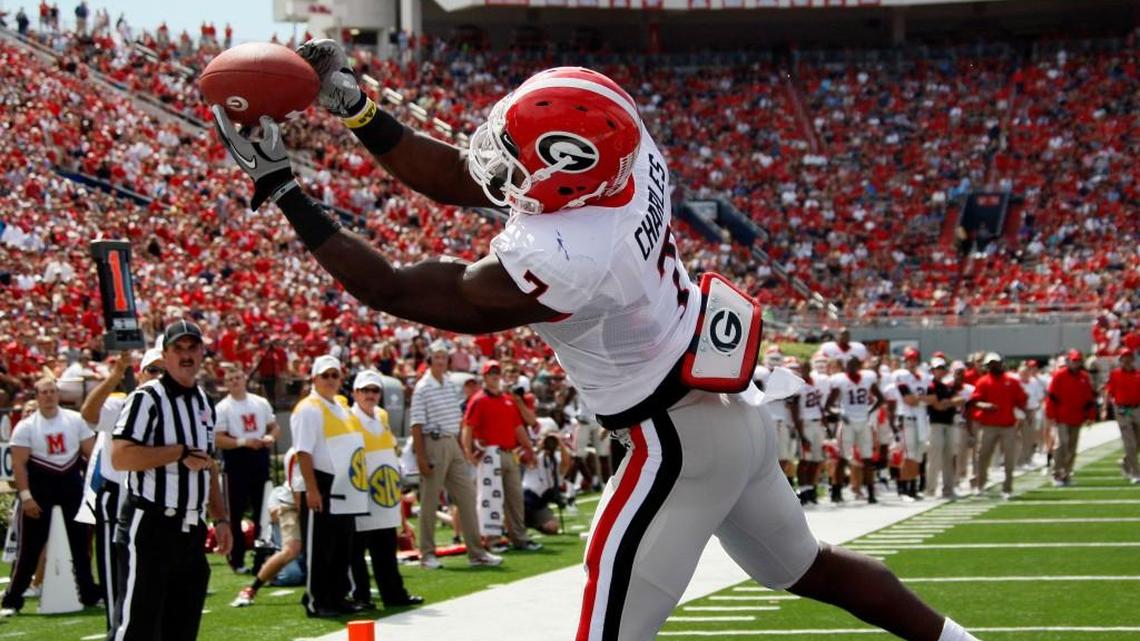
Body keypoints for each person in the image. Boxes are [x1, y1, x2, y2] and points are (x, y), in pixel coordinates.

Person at [212, 44, 983, 641]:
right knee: (810, 568)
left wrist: (283, 189)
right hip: (727, 413)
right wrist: (354, 106)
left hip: (674, 441)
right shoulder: (620, 147)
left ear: (566, 174)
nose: (497, 156)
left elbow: (398, 289)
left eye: (519, 157)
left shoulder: (570, 256)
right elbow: (468, 176)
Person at [108, 321, 232, 640]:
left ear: (202, 353)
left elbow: (208, 464)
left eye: (193, 348)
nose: (186, 355)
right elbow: (120, 456)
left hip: (191, 528)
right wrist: (176, 452)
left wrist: (220, 518)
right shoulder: (146, 397)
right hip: (151, 525)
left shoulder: (204, 401)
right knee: (135, 629)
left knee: (181, 629)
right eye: (178, 348)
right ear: (165, 355)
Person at [0, 376, 101, 617]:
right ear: (36, 396)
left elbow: (92, 454)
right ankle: (12, 600)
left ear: (58, 394)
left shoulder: (74, 420)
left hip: (72, 487)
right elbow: (19, 464)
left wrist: (93, 491)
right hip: (39, 489)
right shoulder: (26, 426)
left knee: (81, 546)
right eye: (44, 392)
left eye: (52, 391)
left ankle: (89, 594)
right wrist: (26, 497)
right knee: (29, 549)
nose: (48, 396)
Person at [79, 348, 163, 629]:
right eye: (153, 370)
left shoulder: (177, 409)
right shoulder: (122, 404)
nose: (158, 377)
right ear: (140, 375)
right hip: (120, 493)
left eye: (163, 371)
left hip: (156, 497)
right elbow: (89, 414)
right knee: (116, 570)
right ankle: (115, 631)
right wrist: (115, 375)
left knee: (153, 572)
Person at [408, 342, 500, 569]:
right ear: (430, 360)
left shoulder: (449, 384)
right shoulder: (423, 387)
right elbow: (416, 424)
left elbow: (457, 419)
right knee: (429, 501)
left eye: (443, 357)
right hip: (433, 442)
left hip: (452, 441)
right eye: (437, 357)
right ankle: (427, 554)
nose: (440, 361)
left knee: (467, 496)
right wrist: (421, 457)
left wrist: (461, 446)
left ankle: (476, 552)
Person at [291, 355, 369, 617]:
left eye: (335, 375)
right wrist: (312, 489)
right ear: (314, 378)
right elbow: (303, 451)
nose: (331, 380)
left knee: (341, 545)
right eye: (325, 375)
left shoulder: (340, 406)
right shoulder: (308, 408)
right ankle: (318, 600)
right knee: (320, 547)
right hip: (321, 481)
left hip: (344, 483)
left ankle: (338, 596)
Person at [346, 369, 423, 609]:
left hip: (384, 492)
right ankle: (361, 596)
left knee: (386, 547)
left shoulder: (381, 415)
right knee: (357, 550)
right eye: (365, 390)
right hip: (360, 493)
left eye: (374, 390)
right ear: (355, 393)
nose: (370, 394)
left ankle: (394, 594)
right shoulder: (349, 419)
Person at [463, 359, 541, 552]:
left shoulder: (508, 399)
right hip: (489, 453)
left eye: (497, 372)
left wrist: (529, 448)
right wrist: (468, 452)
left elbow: (518, 427)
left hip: (510, 453)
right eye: (491, 373)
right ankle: (492, 539)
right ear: (484, 377)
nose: (495, 376)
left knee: (515, 498)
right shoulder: (478, 400)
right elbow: (468, 427)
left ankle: (519, 537)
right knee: (490, 498)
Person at [214, 366, 279, 574]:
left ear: (244, 379)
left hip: (259, 457)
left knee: (263, 512)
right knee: (235, 512)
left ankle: (262, 559)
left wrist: (270, 438)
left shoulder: (260, 402)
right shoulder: (223, 408)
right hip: (236, 460)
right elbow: (218, 439)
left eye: (237, 377)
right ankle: (237, 559)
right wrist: (243, 442)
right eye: (230, 379)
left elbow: (274, 427)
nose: (235, 381)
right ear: (226, 384)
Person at [231, 451, 303, 607]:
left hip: (318, 504)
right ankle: (252, 588)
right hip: (295, 506)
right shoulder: (297, 452)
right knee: (291, 563)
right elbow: (295, 492)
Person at [825, 357, 886, 504]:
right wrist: (840, 413)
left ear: (859, 366)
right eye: (849, 365)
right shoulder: (840, 380)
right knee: (843, 457)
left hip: (863, 422)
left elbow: (880, 398)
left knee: (867, 459)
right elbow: (828, 405)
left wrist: (869, 411)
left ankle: (871, 493)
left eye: (854, 365)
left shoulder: (867, 377)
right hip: (848, 423)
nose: (851, 367)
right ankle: (836, 492)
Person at [969, 353, 1027, 499]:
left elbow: (1022, 400)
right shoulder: (983, 381)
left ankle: (1007, 488)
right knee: (983, 456)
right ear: (987, 366)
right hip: (988, 425)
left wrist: (1022, 416)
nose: (994, 366)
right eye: (991, 364)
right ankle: (980, 484)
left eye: (996, 363)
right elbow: (975, 401)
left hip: (1008, 425)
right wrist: (985, 405)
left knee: (1009, 458)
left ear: (1001, 364)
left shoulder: (1011, 381)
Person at [1046, 349, 1097, 486]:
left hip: (1077, 417)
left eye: (1078, 361)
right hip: (1061, 417)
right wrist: (1051, 415)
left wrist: (1091, 416)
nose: (1076, 363)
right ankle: (1057, 473)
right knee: (1062, 444)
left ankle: (1066, 474)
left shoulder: (1084, 377)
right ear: (1068, 361)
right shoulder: (1059, 375)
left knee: (1072, 449)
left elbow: (1088, 399)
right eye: (1073, 361)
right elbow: (1052, 397)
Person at [893, 348, 934, 501]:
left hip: (922, 419)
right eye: (909, 359)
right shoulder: (900, 375)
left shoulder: (924, 376)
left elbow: (933, 398)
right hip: (908, 418)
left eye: (914, 359)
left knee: (918, 455)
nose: (911, 362)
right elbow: (908, 400)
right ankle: (903, 489)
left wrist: (920, 399)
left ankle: (912, 487)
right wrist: (923, 400)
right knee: (908, 454)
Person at [788, 357, 828, 505]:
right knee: (805, 460)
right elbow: (794, 410)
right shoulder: (798, 386)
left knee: (816, 460)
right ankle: (803, 491)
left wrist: (824, 421)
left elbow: (819, 405)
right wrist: (801, 433)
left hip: (817, 423)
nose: (806, 370)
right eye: (803, 368)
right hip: (806, 424)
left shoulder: (814, 384)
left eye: (807, 367)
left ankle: (811, 490)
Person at [523, 426, 573, 535]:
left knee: (552, 528)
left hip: (539, 503)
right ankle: (520, 525)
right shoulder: (536, 455)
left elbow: (566, 463)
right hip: (525, 498)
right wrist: (540, 447)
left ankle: (533, 523)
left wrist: (560, 443)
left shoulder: (556, 458)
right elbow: (530, 462)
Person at [926, 358, 964, 499]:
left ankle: (948, 489)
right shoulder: (930, 386)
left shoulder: (947, 386)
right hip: (935, 423)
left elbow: (960, 400)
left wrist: (948, 402)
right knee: (935, 457)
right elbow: (937, 406)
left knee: (949, 457)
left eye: (942, 368)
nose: (940, 371)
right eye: (937, 369)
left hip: (949, 423)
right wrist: (949, 403)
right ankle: (930, 489)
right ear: (932, 370)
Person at [1105, 349, 1140, 483]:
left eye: (1129, 358)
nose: (1126, 361)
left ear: (1133, 359)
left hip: (1137, 409)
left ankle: (1125, 462)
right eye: (1124, 358)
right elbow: (1109, 391)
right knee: (1130, 443)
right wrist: (1104, 408)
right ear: (1120, 360)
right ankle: (1135, 473)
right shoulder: (1115, 374)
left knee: (1137, 442)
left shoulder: (1138, 374)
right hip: (1123, 410)